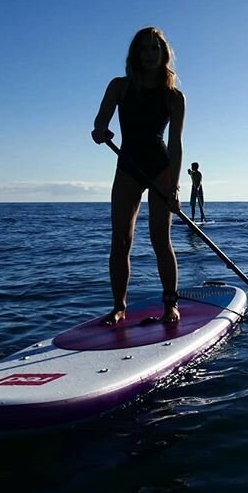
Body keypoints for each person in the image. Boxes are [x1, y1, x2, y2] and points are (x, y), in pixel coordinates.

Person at [91, 27, 185, 325]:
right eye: (144, 49)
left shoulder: (174, 96)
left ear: (163, 53)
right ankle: (119, 307)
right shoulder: (119, 86)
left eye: (155, 49)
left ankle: (170, 304)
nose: (150, 54)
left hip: (160, 168)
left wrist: (174, 188)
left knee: (160, 238)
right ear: (135, 54)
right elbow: (99, 123)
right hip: (128, 165)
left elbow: (175, 144)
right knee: (121, 240)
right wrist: (100, 132)